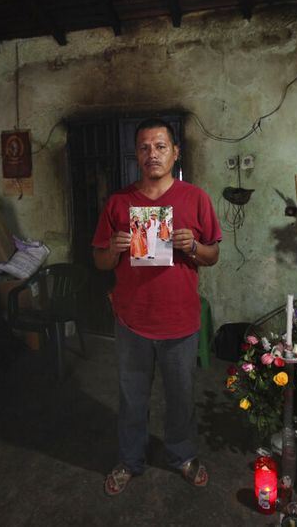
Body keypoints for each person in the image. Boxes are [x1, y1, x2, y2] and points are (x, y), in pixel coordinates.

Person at [92, 118, 222, 496]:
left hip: (180, 320)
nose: (153, 154)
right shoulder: (118, 203)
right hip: (131, 319)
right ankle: (130, 459)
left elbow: (213, 254)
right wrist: (113, 248)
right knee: (132, 397)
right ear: (136, 155)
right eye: (145, 147)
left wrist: (192, 246)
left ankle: (182, 455)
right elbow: (100, 261)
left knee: (180, 396)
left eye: (161, 146)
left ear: (175, 152)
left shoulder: (195, 198)